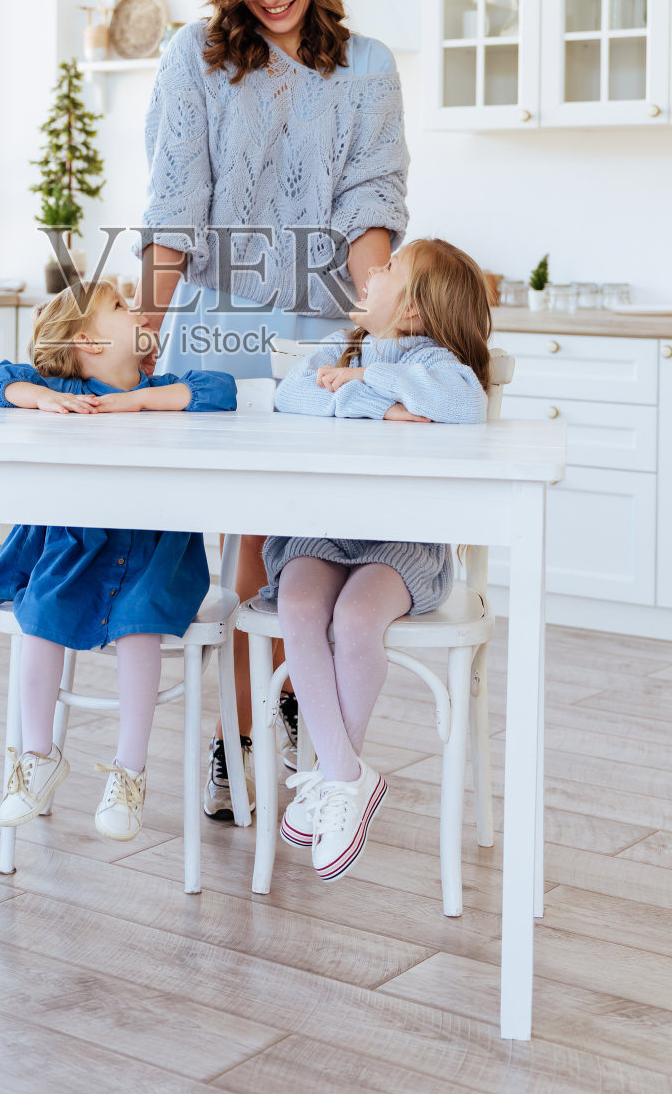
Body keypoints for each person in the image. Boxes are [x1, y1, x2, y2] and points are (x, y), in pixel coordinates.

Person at [133, 0, 409, 819]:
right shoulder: (197, 57)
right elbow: (174, 208)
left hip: (321, 328)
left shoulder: (367, 66)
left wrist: (375, 330)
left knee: (304, 536)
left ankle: (282, 714)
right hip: (219, 320)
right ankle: (234, 741)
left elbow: (370, 206)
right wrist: (140, 329)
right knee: (246, 536)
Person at [0, 280, 236, 843]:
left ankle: (129, 772)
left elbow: (221, 389)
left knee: (141, 626)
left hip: (155, 553)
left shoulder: (162, 387)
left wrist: (139, 400)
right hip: (77, 544)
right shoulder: (62, 387)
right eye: (120, 306)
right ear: (88, 341)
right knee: (38, 614)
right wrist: (40, 398)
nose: (137, 308)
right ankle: (37, 756)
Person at [266, 238, 491, 881]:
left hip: (401, 541)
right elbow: (291, 397)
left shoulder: (441, 365)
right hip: (324, 531)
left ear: (415, 310)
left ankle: (338, 777)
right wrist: (374, 402)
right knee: (301, 604)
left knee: (358, 619)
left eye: (391, 268)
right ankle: (346, 778)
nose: (372, 271)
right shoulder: (335, 350)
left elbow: (461, 407)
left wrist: (370, 380)